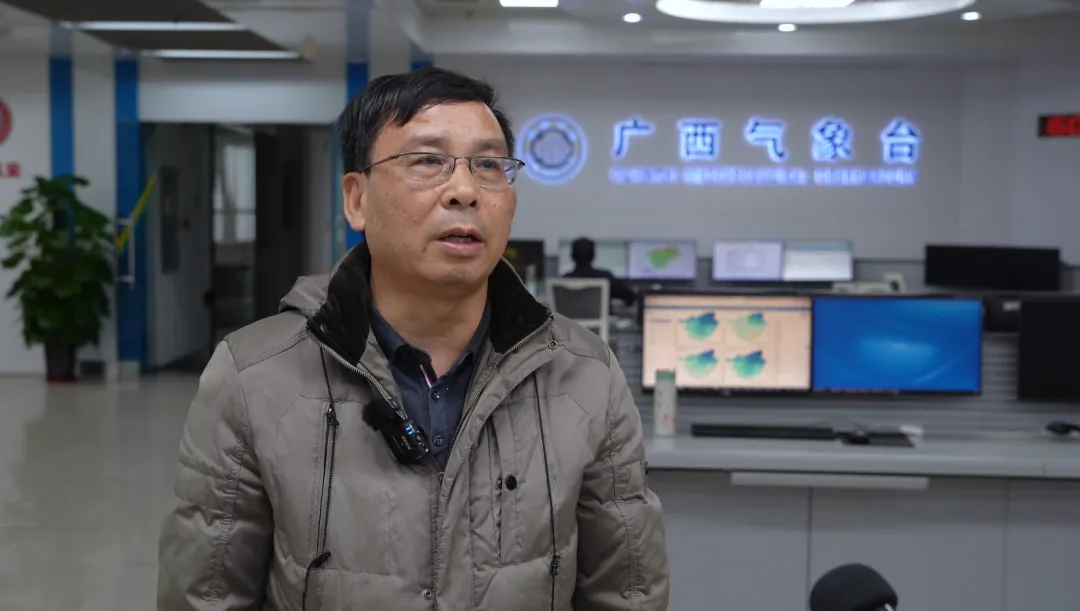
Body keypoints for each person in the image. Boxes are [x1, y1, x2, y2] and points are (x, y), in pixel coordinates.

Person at [157, 67, 669, 611]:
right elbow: (207, 596)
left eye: (488, 165)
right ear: (357, 199)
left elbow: (626, 594)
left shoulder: (586, 374)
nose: (465, 191)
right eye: (427, 161)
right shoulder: (253, 374)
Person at [564, 237, 638, 306]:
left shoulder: (563, 281)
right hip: (600, 317)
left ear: (571, 256)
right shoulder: (605, 277)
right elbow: (630, 297)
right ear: (594, 256)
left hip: (569, 316)